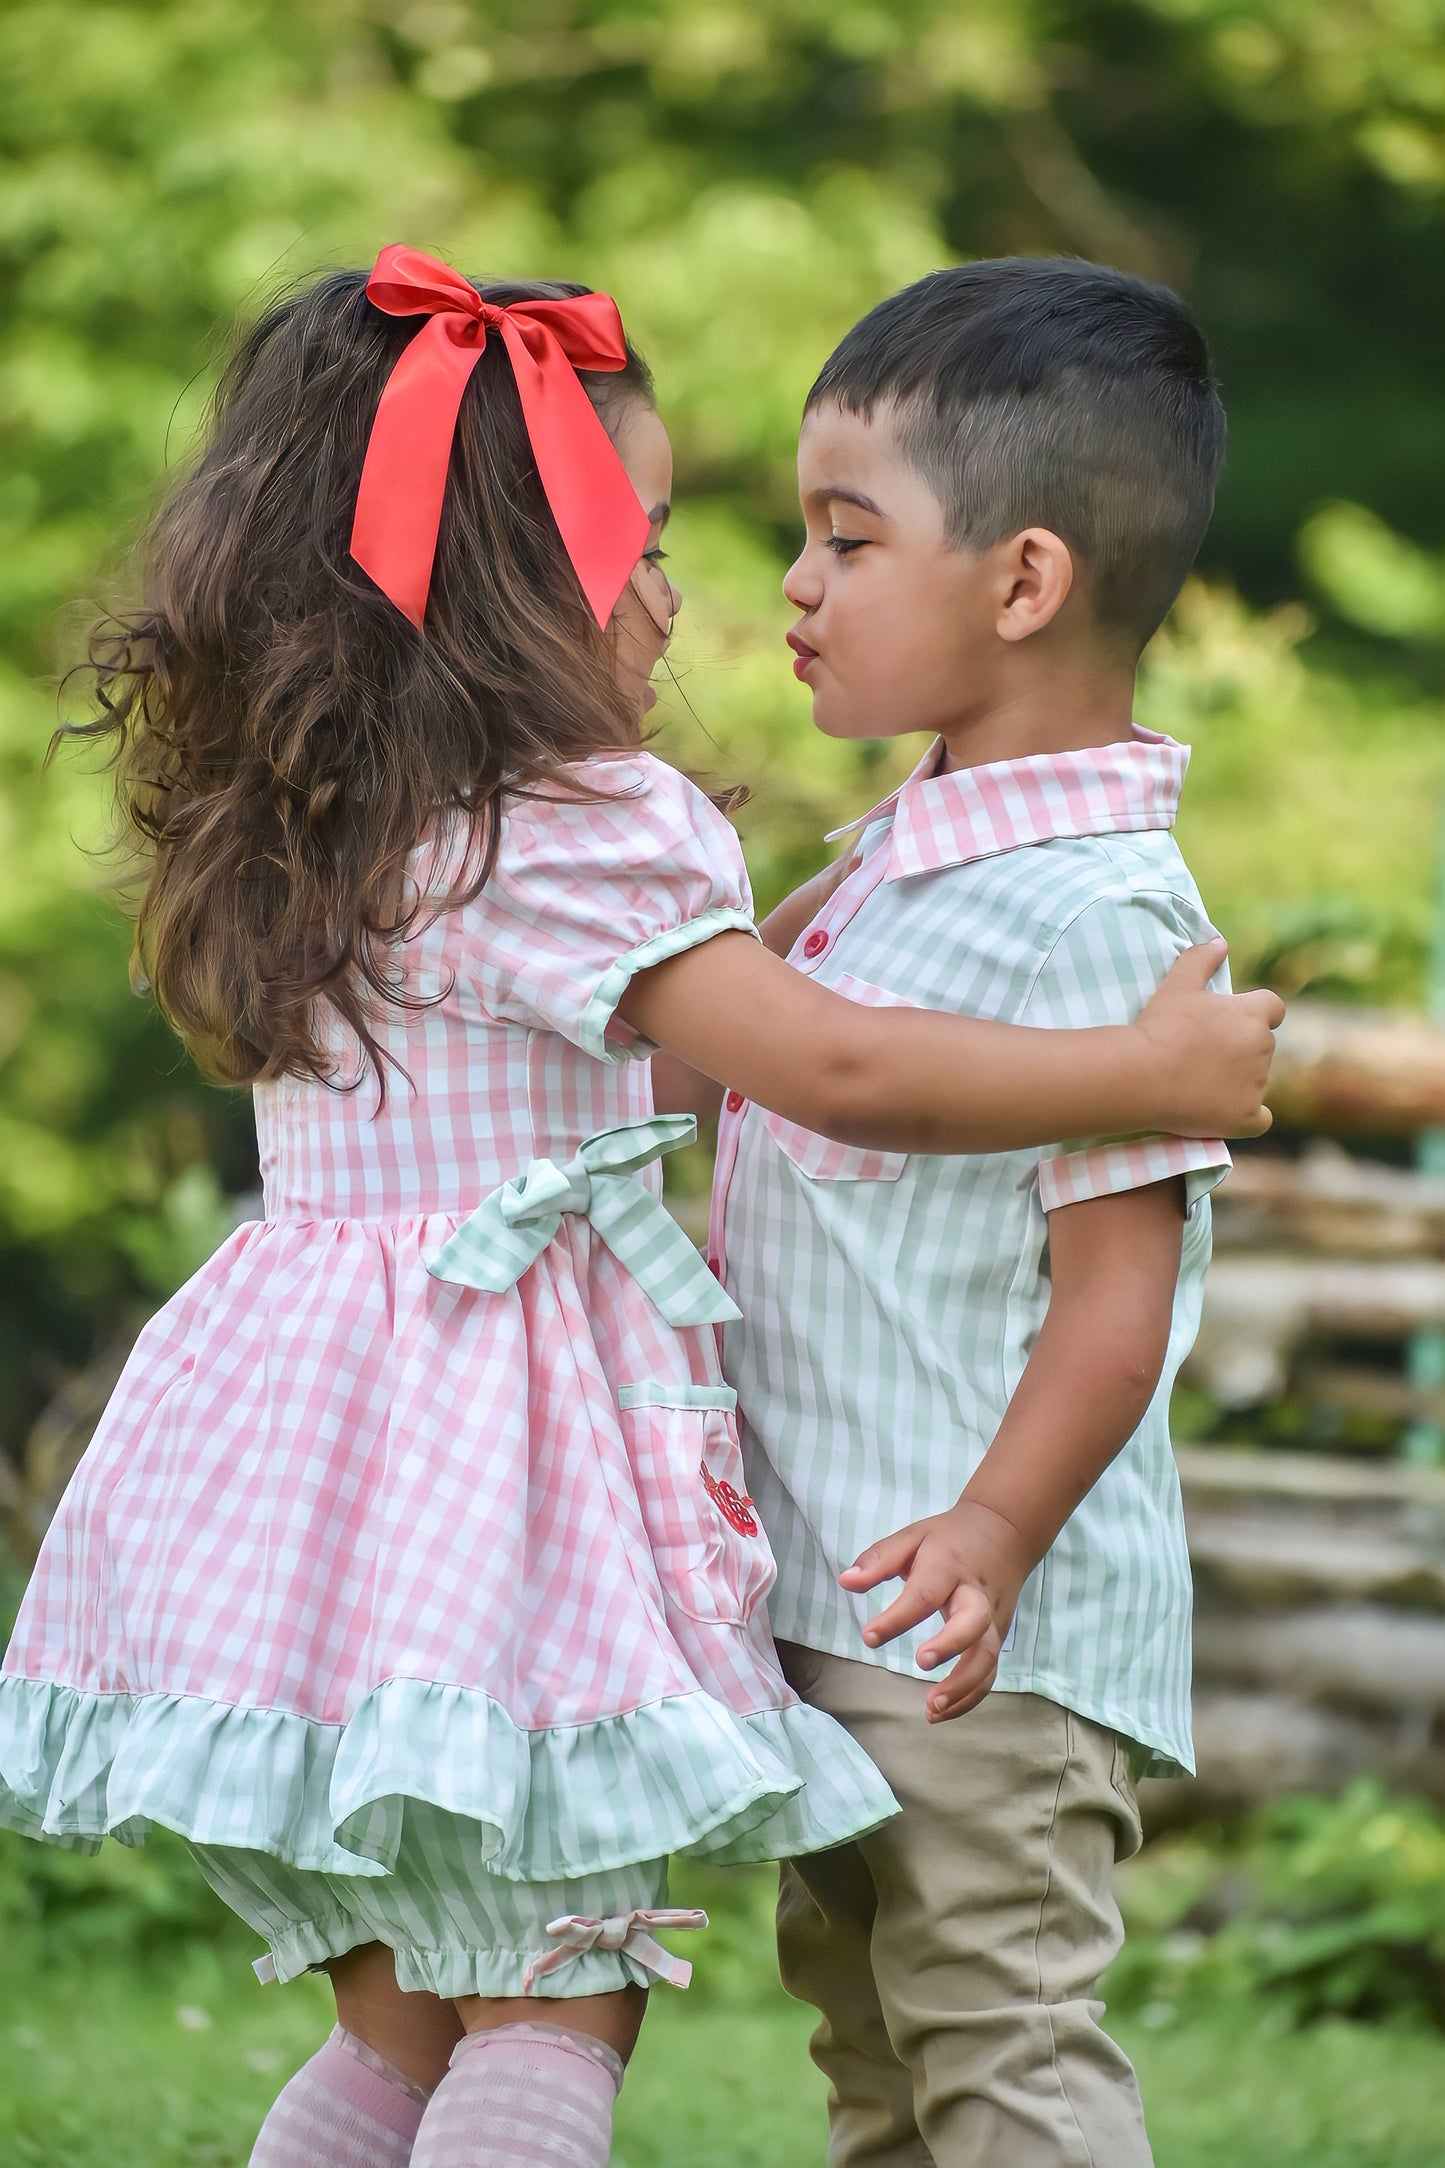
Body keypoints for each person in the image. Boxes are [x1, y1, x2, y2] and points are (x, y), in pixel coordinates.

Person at [0, 248, 1278, 2168]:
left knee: (461, 2027)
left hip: (379, 1512)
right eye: (648, 534)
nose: (717, 588)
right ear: (521, 579)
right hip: (519, 1508)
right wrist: (1147, 1078)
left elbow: (702, 1081)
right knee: (576, 2002)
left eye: (825, 536)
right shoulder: (591, 825)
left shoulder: (336, 815)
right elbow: (820, 1067)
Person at [709, 258, 1256, 2168]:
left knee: (1000, 2051)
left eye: (846, 539)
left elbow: (1119, 1300)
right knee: (876, 2064)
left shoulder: (1097, 914)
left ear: (1021, 583)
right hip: (842, 1599)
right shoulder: (880, 871)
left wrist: (995, 1532)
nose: (793, 581)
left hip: (979, 1636)